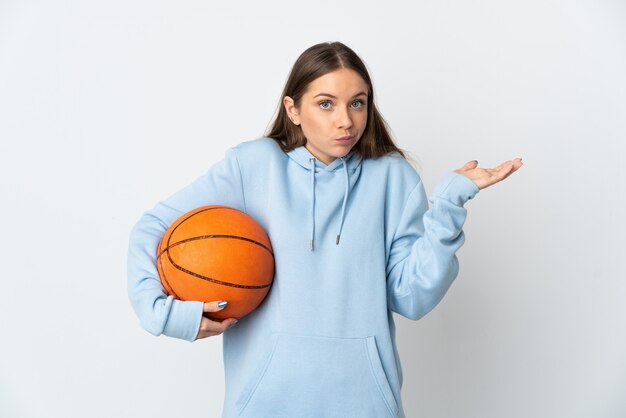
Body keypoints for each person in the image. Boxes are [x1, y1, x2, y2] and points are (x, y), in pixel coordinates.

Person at [127, 41, 522, 418]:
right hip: (262, 408)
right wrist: (166, 316)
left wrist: (449, 205)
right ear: (293, 109)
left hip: (366, 407)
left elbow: (413, 297)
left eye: (357, 103)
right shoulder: (252, 167)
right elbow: (153, 227)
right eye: (325, 104)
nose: (345, 121)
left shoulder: (393, 178)